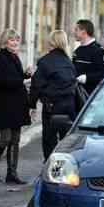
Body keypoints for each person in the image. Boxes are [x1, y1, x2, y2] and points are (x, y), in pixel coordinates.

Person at [0, 29, 32, 184]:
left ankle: (11, 173)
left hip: (17, 103)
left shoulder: (14, 58)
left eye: (17, 40)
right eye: (12, 40)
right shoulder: (0, 59)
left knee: (16, 139)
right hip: (4, 104)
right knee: (5, 138)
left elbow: (15, 77)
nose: (15, 43)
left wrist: (25, 75)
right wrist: (22, 81)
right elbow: (3, 82)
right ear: (5, 42)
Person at [30, 30, 77, 160]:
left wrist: (32, 105)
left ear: (51, 42)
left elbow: (36, 86)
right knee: (66, 142)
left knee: (49, 141)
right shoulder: (69, 62)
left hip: (52, 107)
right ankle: (64, 169)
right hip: (69, 108)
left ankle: (51, 169)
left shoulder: (45, 62)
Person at [72, 19, 104, 95]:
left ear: (84, 32)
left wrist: (87, 78)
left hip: (91, 96)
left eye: (76, 30)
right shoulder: (77, 50)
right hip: (77, 94)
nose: (74, 32)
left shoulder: (98, 50)